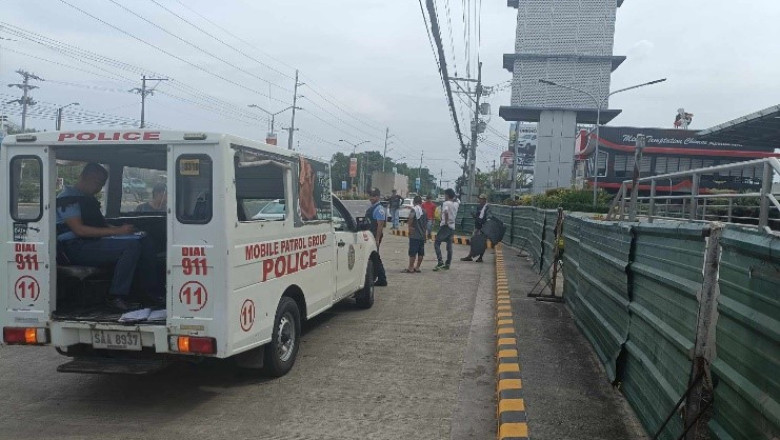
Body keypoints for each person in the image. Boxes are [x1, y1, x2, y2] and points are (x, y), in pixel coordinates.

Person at [57, 163, 163, 311]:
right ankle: (115, 297)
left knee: (142, 239)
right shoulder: (67, 199)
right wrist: (118, 232)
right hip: (74, 247)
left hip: (91, 243)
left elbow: (100, 224)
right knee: (130, 246)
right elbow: (80, 230)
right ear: (83, 177)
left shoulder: (87, 199)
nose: (98, 188)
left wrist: (125, 231)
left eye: (101, 184)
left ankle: (150, 293)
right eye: (96, 182)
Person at [365, 188, 388, 286]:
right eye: (370, 196)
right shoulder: (373, 207)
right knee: (374, 257)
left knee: (375, 257)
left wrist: (377, 239)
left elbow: (380, 225)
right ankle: (375, 277)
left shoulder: (379, 209)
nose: (371, 198)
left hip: (374, 236)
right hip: (371, 235)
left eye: (373, 196)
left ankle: (382, 279)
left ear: (378, 197)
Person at [433, 188, 460, 271]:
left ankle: (440, 261)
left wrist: (446, 222)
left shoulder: (446, 203)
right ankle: (448, 264)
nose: (444, 196)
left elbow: (446, 212)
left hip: (446, 226)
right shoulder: (456, 204)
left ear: (447, 195)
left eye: (445, 194)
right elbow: (457, 200)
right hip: (452, 226)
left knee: (437, 243)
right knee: (449, 246)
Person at [461, 194, 491, 263]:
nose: (479, 200)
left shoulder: (487, 208)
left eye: (481, 199)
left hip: (483, 228)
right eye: (479, 198)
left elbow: (488, 218)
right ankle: (470, 256)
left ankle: (480, 257)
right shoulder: (479, 206)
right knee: (473, 241)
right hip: (477, 227)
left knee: (482, 243)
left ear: (484, 200)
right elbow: (478, 217)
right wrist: (474, 216)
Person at [404, 196, 427, 273]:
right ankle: (417, 267)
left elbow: (411, 218)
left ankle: (411, 267)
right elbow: (425, 225)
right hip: (422, 235)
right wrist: (424, 235)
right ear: (421, 202)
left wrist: (409, 227)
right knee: (421, 253)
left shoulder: (414, 210)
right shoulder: (424, 211)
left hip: (414, 235)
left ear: (414, 202)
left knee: (412, 252)